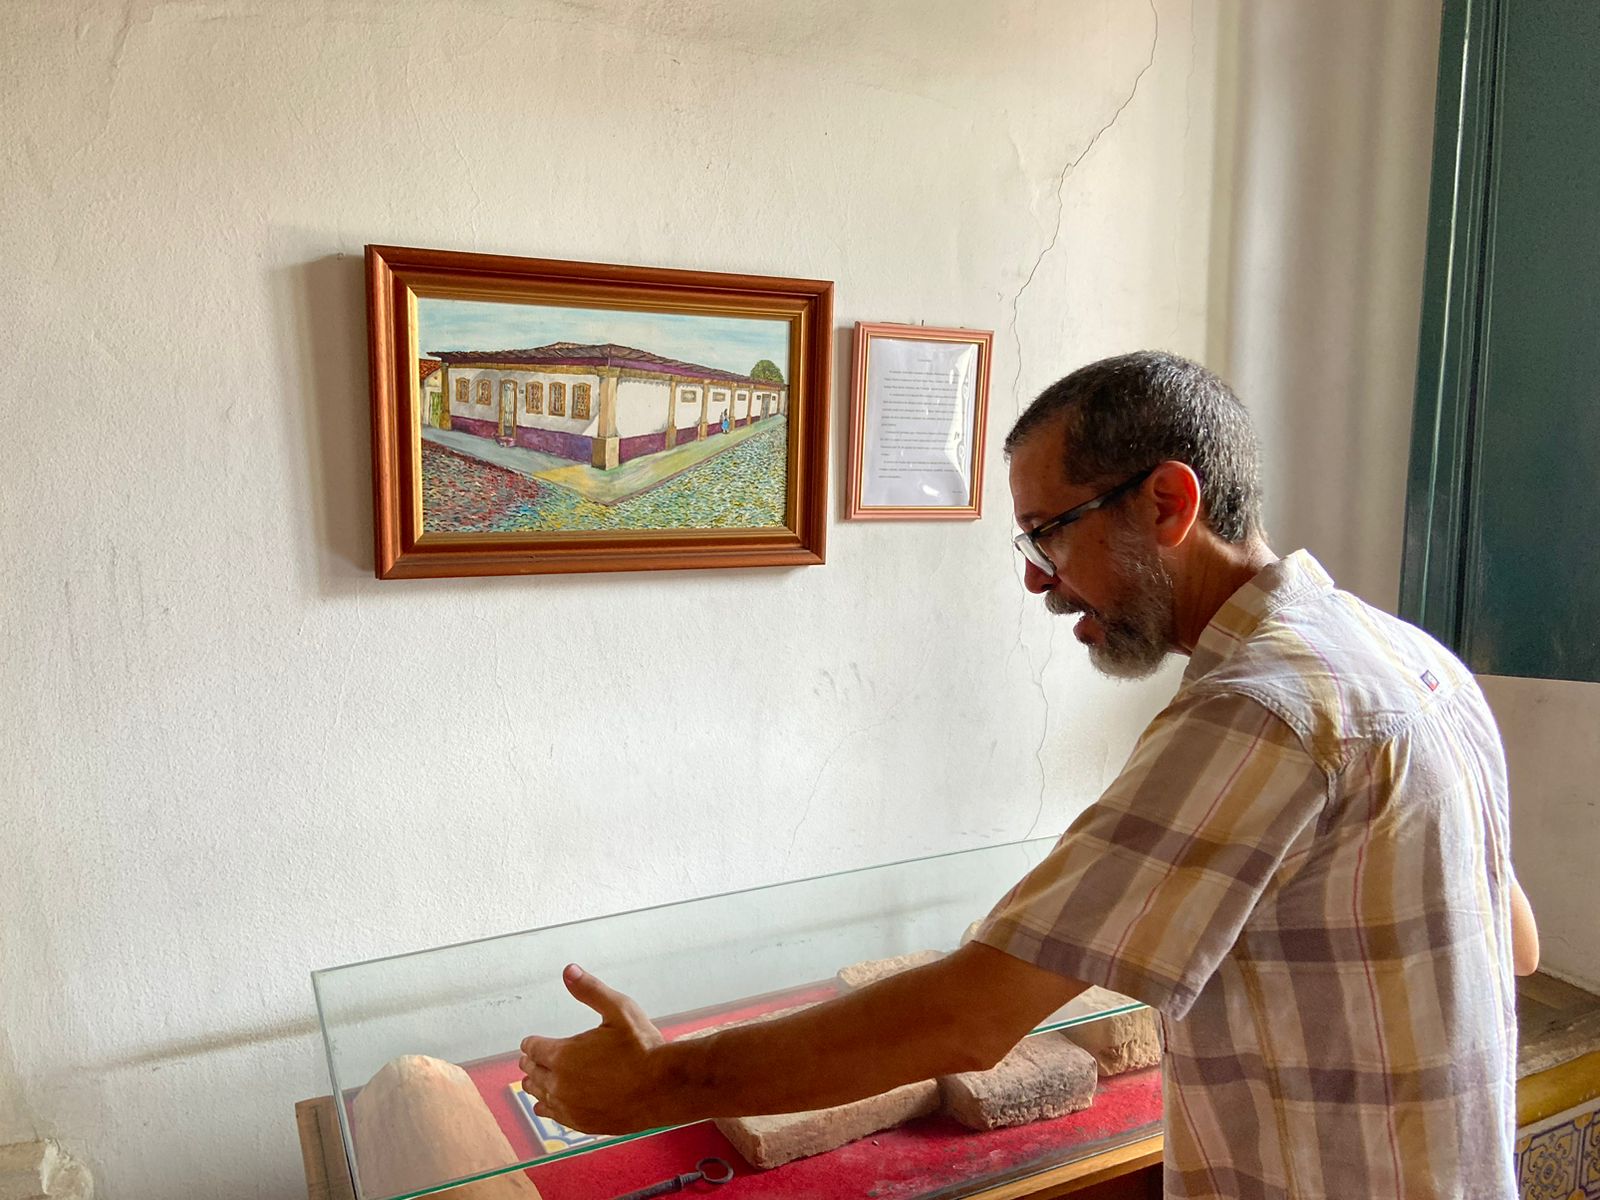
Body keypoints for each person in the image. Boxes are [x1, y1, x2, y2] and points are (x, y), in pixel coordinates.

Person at [519, 351, 1539, 1198]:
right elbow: (1518, 943)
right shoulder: (1403, 655)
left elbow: (969, 1017)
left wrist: (665, 1082)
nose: (1034, 576)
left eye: (1050, 531)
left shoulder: (1256, 709)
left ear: (1168, 503)